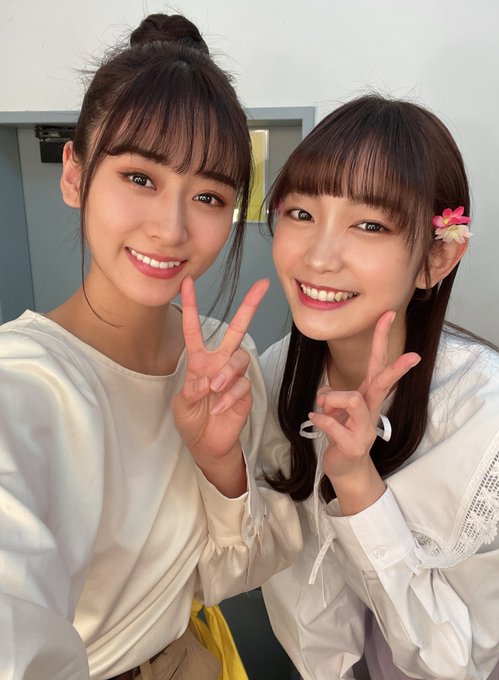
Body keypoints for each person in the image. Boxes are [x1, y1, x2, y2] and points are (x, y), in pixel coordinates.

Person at [0, 13, 301, 680]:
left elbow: (237, 573)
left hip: (190, 659)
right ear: (74, 174)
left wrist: (219, 465)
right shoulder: (22, 384)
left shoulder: (224, 358)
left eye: (209, 195)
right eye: (140, 178)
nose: (170, 228)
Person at [259, 94, 499, 679]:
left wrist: (357, 484)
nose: (320, 258)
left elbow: (456, 662)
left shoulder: (489, 420)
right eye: (301, 213)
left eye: (369, 225)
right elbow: (300, 603)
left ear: (437, 258)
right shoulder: (273, 374)